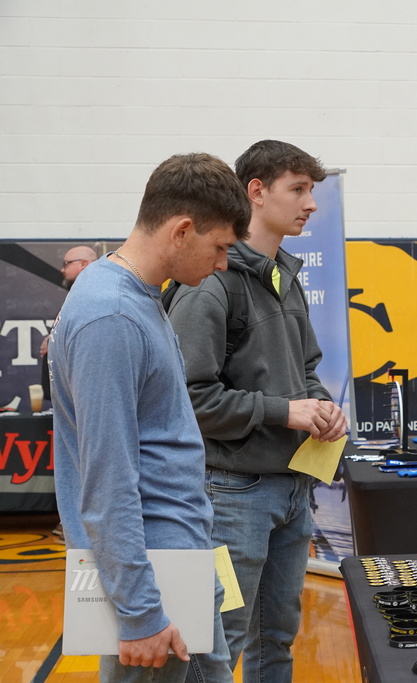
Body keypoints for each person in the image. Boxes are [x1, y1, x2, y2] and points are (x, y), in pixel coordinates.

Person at [50, 152, 250, 682]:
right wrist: (140, 613)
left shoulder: (139, 297)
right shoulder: (110, 316)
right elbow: (107, 481)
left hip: (180, 561)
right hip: (154, 582)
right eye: (220, 247)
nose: (224, 263)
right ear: (183, 230)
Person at [168, 139, 348, 682]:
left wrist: (320, 408)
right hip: (232, 496)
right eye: (298, 189)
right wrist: (284, 412)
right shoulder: (210, 285)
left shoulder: (285, 276)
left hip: (292, 490)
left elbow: (308, 365)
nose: (311, 203)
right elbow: (190, 400)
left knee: (277, 640)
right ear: (256, 191)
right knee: (218, 644)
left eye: (312, 190)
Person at [41, 245, 98, 544]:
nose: (62, 269)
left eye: (67, 263)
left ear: (85, 264)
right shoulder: (78, 299)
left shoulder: (96, 299)